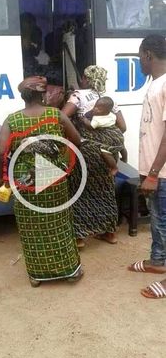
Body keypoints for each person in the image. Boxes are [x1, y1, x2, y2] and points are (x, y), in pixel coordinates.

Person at [0, 76, 83, 287]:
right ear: (43, 94)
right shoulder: (56, 115)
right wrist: (60, 158)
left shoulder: (12, 120)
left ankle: (37, 275)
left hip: (26, 182)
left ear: (22, 96)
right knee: (59, 224)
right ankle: (70, 272)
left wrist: (2, 178)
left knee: (30, 227)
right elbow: (77, 141)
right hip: (54, 180)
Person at [63, 65, 126, 246]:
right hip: (109, 153)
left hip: (87, 151)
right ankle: (110, 234)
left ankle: (80, 237)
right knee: (105, 191)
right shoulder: (109, 100)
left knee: (80, 190)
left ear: (85, 78)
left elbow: (62, 116)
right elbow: (122, 126)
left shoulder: (77, 95)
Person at [128, 34, 166, 299]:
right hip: (155, 171)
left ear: (148, 55)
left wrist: (153, 173)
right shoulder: (155, 84)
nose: (139, 61)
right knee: (156, 219)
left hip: (163, 173)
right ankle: (157, 261)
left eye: (140, 56)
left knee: (165, 222)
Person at [83, 96, 128, 175]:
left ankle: (114, 167)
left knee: (105, 152)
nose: (95, 109)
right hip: (118, 134)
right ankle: (124, 158)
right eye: (95, 106)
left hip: (109, 137)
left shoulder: (97, 119)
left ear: (106, 111)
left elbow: (90, 126)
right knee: (121, 146)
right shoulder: (112, 115)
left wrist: (84, 120)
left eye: (98, 109)